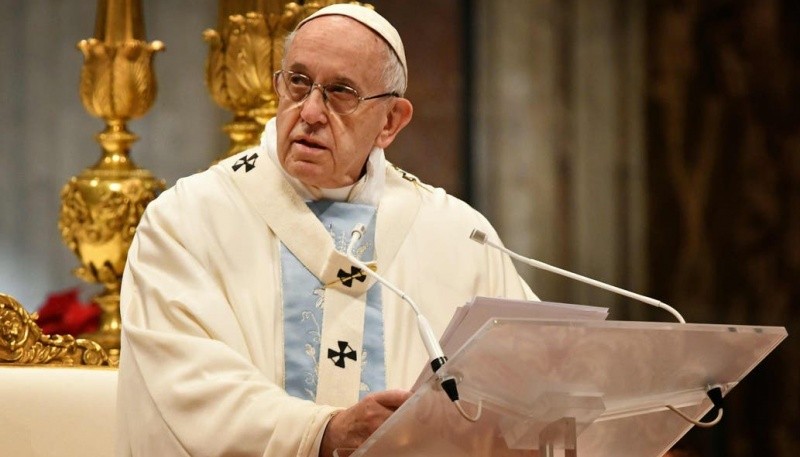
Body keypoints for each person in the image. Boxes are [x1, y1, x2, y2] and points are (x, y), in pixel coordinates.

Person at [116, 4, 535, 456]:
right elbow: (185, 382)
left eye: (341, 92)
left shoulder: (458, 234)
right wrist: (322, 432)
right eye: (298, 82)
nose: (311, 111)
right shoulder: (186, 219)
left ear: (391, 121)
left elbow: (531, 376)